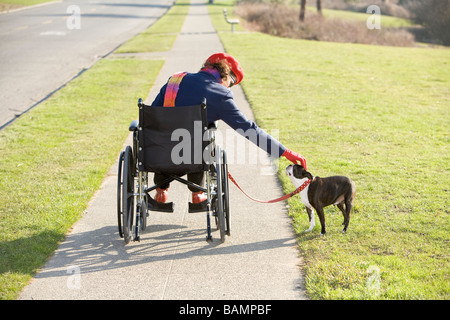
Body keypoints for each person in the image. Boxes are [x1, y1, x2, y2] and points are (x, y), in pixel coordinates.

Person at [151, 53, 307, 204]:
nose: (229, 88)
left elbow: (153, 114)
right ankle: (197, 193)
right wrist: (285, 152)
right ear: (225, 76)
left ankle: (161, 189)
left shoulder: (175, 79)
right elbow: (249, 129)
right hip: (192, 158)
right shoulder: (221, 94)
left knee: (170, 135)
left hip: (158, 154)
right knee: (201, 141)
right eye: (231, 83)